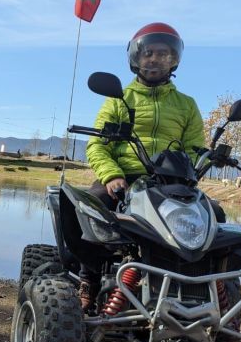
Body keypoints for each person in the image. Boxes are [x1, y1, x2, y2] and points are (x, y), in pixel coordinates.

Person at [79, 22, 208, 313]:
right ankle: (88, 279)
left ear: (174, 59)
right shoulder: (118, 99)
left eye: (163, 53)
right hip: (124, 177)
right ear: (137, 58)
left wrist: (193, 168)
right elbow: (97, 145)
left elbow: (195, 149)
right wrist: (112, 176)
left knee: (214, 216)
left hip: (170, 182)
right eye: (149, 52)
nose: (155, 59)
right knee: (93, 206)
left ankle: (211, 288)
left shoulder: (186, 105)